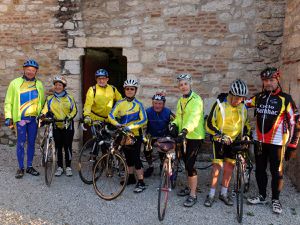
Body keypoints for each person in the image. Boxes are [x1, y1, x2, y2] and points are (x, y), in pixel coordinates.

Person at [246, 67, 300, 214]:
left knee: (276, 171)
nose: (268, 83)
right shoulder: (258, 97)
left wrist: (293, 145)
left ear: (277, 80)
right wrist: (227, 98)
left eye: (271, 80)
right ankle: (262, 196)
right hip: (259, 141)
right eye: (265, 81)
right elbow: (242, 103)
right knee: (260, 170)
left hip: (277, 142)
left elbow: (296, 122)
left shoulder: (285, 99)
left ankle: (275, 200)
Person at [204, 79, 251, 207]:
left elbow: (246, 124)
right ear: (230, 94)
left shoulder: (243, 107)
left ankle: (224, 193)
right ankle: (211, 194)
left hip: (234, 140)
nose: (238, 101)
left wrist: (246, 135)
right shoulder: (219, 104)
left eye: (241, 98)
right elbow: (209, 124)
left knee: (229, 167)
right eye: (236, 98)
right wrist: (220, 135)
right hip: (220, 140)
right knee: (217, 168)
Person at [4, 59, 45, 178]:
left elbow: (42, 102)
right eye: (28, 70)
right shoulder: (15, 83)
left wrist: (42, 115)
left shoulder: (39, 84)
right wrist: (8, 116)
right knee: (21, 143)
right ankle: (21, 168)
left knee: (31, 143)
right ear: (24, 70)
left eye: (32, 70)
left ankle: (30, 167)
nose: (30, 72)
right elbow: (8, 101)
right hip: (20, 119)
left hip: (33, 119)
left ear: (36, 71)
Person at [169, 73, 205, 207]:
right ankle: (190, 187)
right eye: (181, 85)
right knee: (186, 163)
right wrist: (174, 124)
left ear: (190, 84)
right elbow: (179, 117)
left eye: (185, 84)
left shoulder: (196, 100)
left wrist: (184, 130)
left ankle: (193, 194)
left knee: (190, 165)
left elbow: (194, 119)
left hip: (195, 136)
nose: (183, 86)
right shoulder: (180, 100)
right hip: (184, 135)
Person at [108, 79, 148, 193]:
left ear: (135, 91)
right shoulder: (120, 103)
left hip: (135, 135)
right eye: (127, 89)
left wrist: (131, 127)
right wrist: (118, 124)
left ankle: (141, 182)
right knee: (128, 157)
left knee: (136, 158)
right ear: (124, 90)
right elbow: (111, 115)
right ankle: (130, 178)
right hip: (124, 135)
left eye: (132, 89)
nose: (129, 91)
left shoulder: (139, 104)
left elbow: (144, 120)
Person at [40, 76, 77, 177]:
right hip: (56, 125)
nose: (58, 86)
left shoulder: (70, 98)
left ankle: (68, 166)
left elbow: (74, 110)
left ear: (63, 87)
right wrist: (42, 115)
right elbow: (45, 109)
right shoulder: (50, 98)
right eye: (56, 85)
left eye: (60, 85)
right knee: (58, 147)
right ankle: (60, 166)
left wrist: (68, 117)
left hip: (67, 125)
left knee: (67, 146)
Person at [143, 93, 175, 178]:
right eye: (155, 103)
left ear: (163, 104)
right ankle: (150, 166)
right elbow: (143, 124)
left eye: (160, 103)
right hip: (151, 134)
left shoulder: (168, 112)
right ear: (152, 103)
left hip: (163, 135)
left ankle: (162, 165)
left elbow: (175, 122)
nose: (157, 105)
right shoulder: (147, 112)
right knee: (146, 149)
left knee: (163, 150)